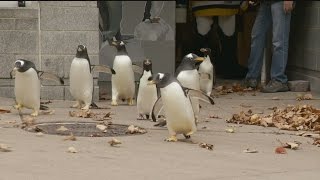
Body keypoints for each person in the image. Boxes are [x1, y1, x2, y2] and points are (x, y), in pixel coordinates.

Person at [244, 1, 295, 93]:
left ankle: (279, 80)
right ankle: (252, 78)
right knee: (257, 36)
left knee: (279, 40)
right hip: (266, 2)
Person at [191, 1, 248, 79]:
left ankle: (201, 68)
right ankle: (229, 67)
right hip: (228, 4)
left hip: (201, 4)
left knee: (202, 30)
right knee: (228, 31)